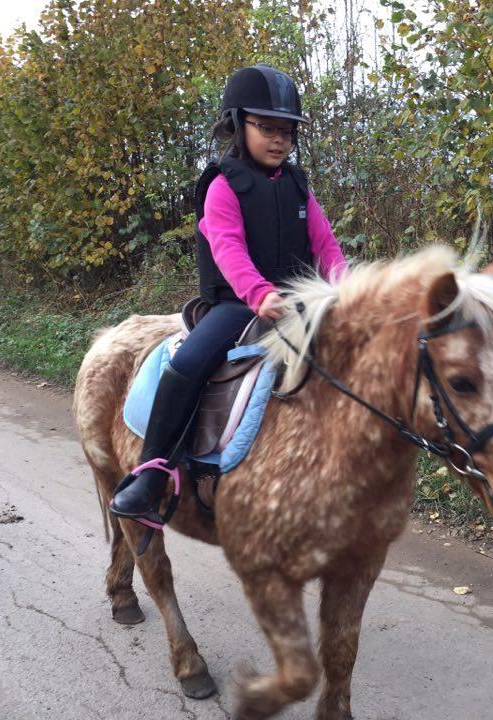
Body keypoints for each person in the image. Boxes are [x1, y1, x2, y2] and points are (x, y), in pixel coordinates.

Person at [110, 64, 347, 521]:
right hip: (238, 305)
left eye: (287, 131)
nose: (279, 140)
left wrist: (346, 290)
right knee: (186, 365)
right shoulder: (223, 185)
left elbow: (326, 247)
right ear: (239, 124)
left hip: (301, 304)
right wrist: (259, 294)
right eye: (267, 129)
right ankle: (152, 472)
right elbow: (227, 248)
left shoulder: (299, 186)